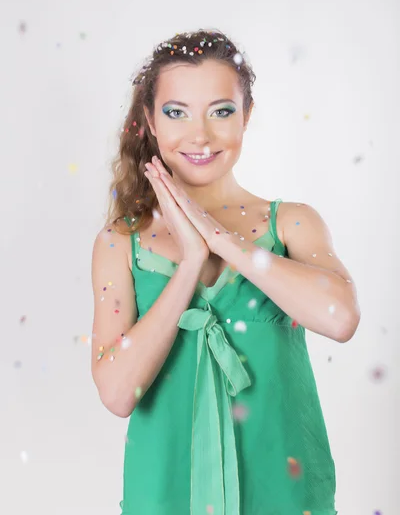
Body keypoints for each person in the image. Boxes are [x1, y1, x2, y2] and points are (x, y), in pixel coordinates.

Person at [90, 28, 361, 515]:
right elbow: (116, 393)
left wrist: (220, 241)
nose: (200, 135)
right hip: (166, 496)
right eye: (177, 113)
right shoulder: (120, 243)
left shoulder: (291, 223)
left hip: (283, 493)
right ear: (149, 119)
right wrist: (190, 262)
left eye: (221, 111)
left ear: (247, 116)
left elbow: (340, 319)